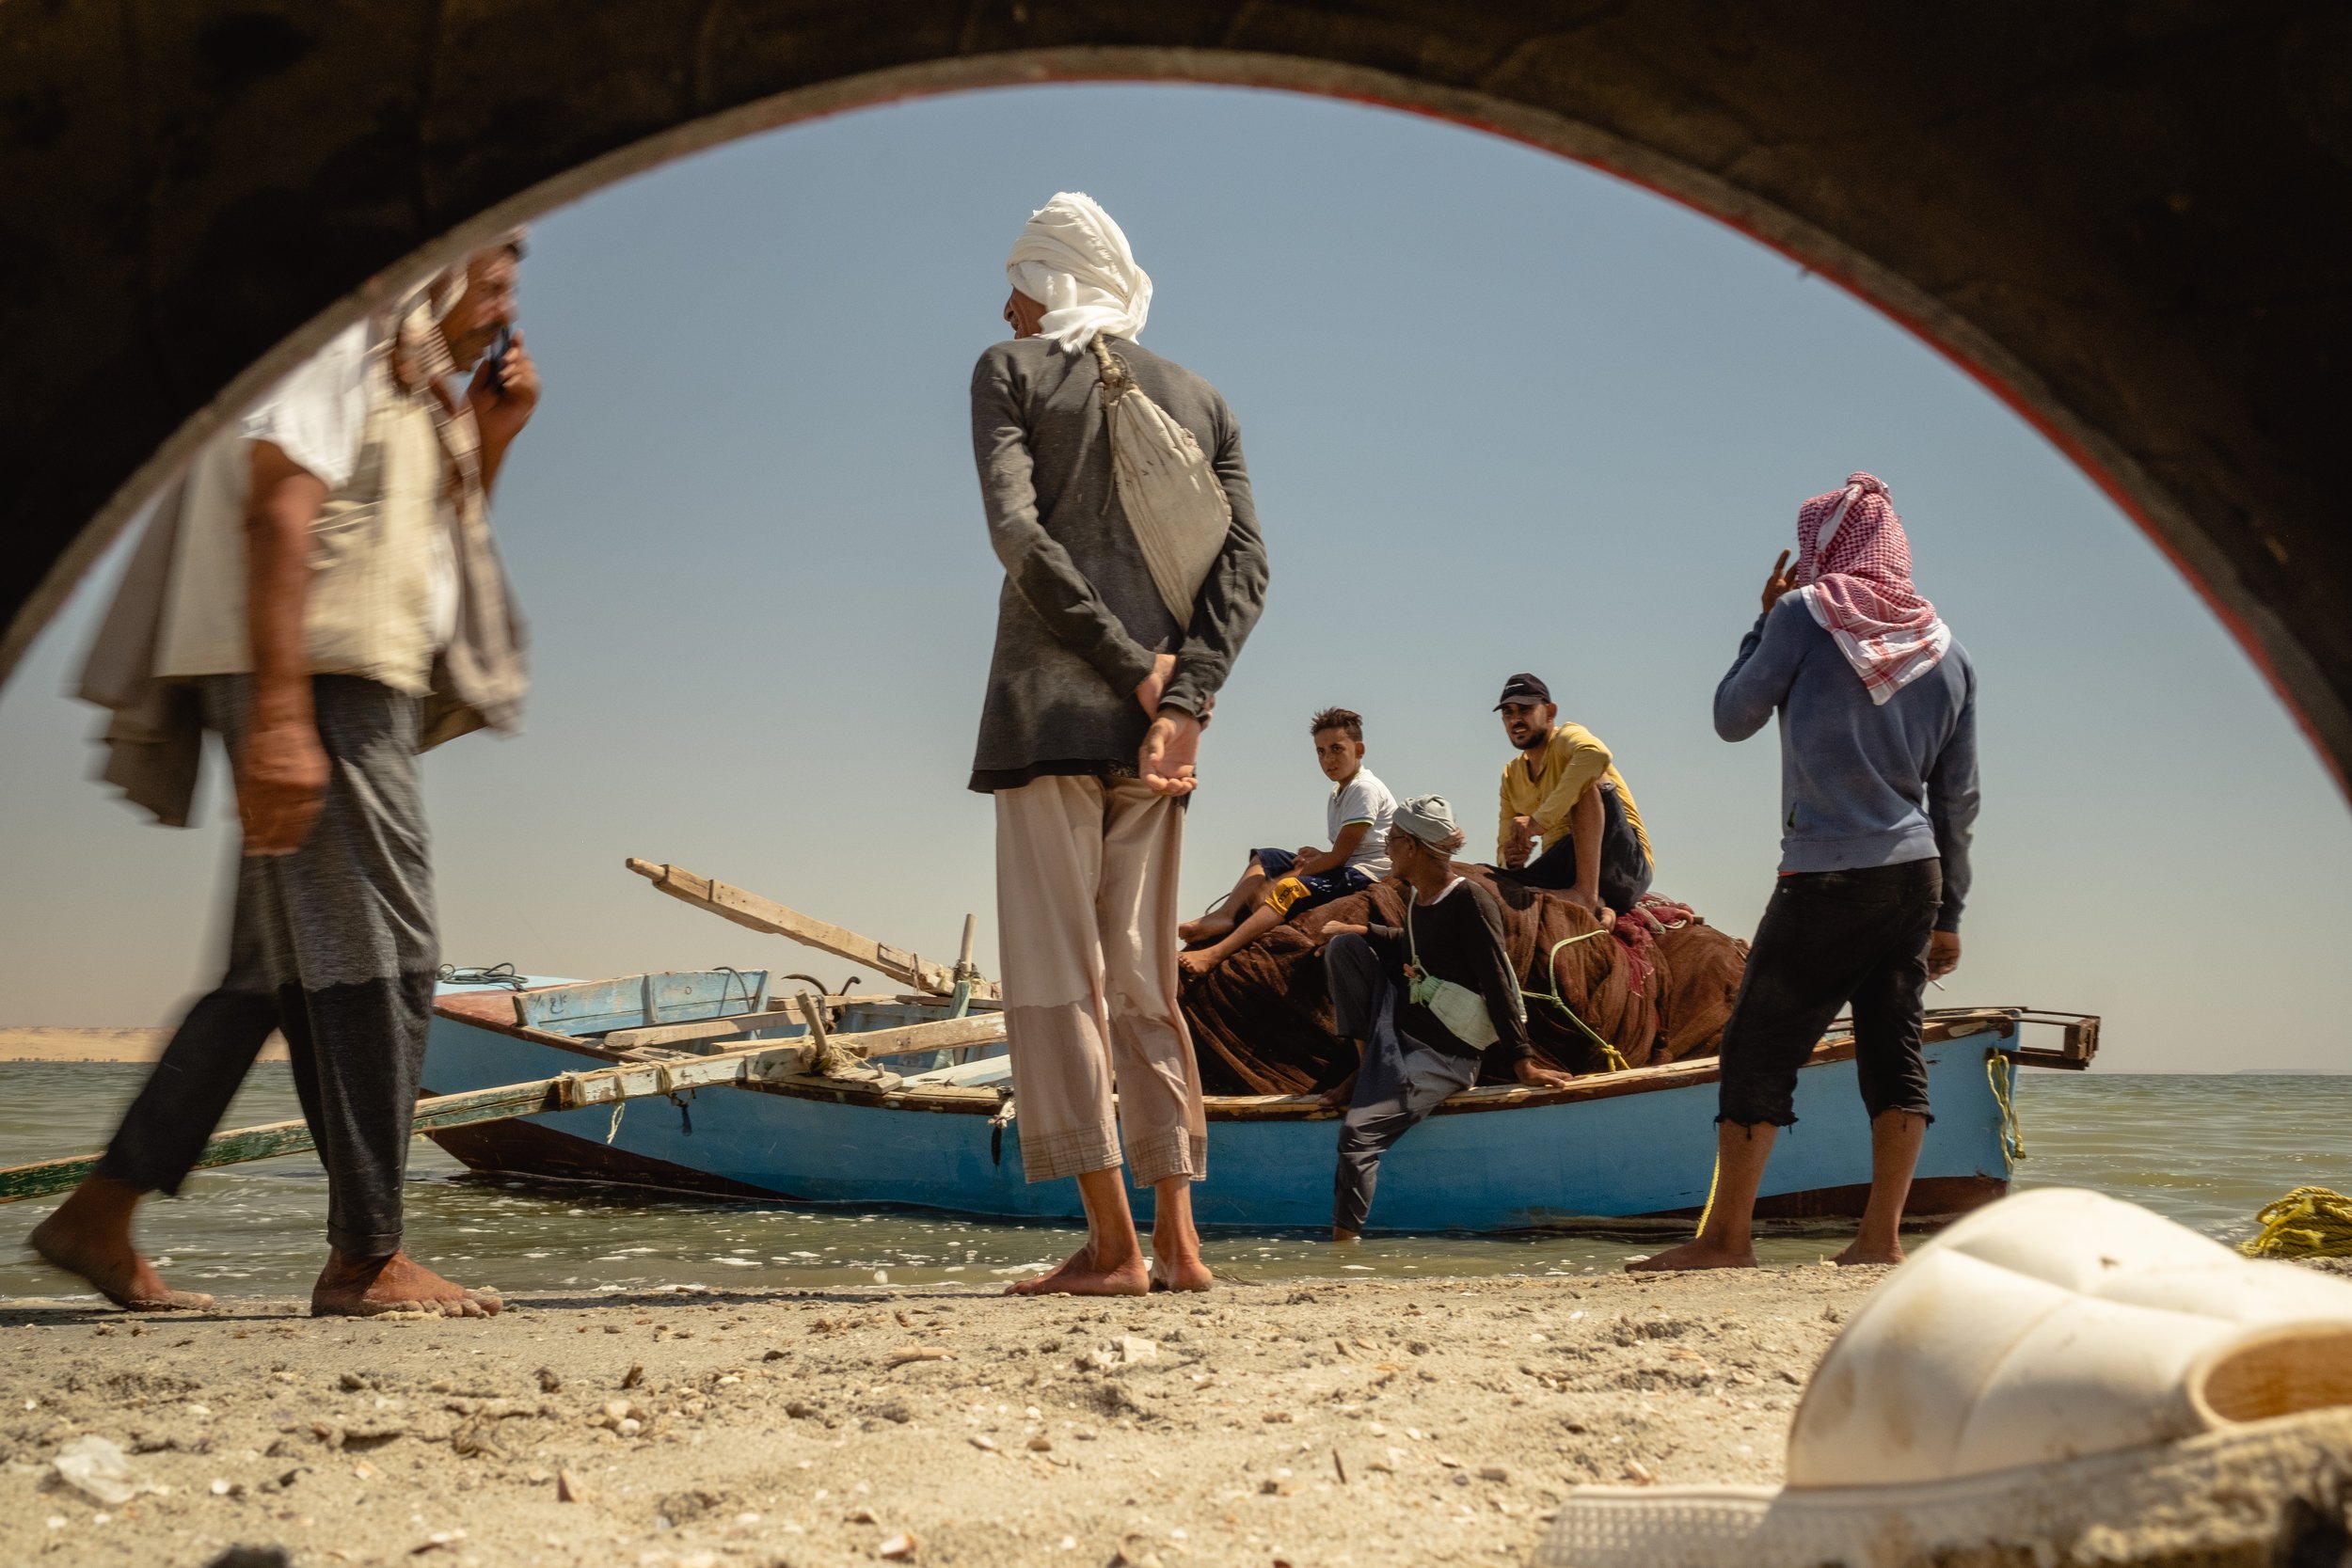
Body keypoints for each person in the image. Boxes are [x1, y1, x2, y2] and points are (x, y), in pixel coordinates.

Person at [34, 237, 536, 1317]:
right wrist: (276, 717)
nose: (507, 286)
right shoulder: (337, 330)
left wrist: (490, 438)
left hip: (347, 677)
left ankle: (99, 1215)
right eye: (494, 260)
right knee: (386, 956)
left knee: (270, 974)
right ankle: (367, 1257)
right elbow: (277, 505)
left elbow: (440, 547)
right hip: (317, 675)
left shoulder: (409, 373)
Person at [969, 193, 1270, 1296]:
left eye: (1022, 275)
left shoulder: (1011, 369)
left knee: (1059, 981)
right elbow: (1246, 570)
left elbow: (1017, 532)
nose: (1008, 299)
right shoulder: (1201, 398)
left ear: (1055, 278)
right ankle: (1183, 1246)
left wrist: (1126, 665)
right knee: (1145, 984)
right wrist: (1180, 696)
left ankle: (1113, 1248)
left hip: (1047, 721)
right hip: (1159, 743)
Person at [1633, 471, 1977, 1274]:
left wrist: (1760, 626)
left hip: (1826, 875)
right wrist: (1951, 911)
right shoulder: (1948, 652)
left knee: (1756, 1045)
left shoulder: (1804, 616)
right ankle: (1879, 1239)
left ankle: (1726, 1238)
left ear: (1823, 546)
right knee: (1893, 1047)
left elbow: (1731, 718)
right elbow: (1957, 798)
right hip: (1915, 876)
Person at [1320, 796, 1576, 1241]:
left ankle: (1343, 1252)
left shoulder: (1469, 900)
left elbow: (1498, 979)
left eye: (1394, 839)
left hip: (1444, 1054)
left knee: (1358, 1137)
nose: (1387, 848)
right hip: (1405, 1028)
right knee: (1345, 950)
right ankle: (1366, 1069)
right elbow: (1422, 944)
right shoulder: (1420, 895)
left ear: (1415, 847)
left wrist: (1523, 1061)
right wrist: (1364, 931)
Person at [1177, 706, 1395, 978]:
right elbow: (1345, 848)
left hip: (1365, 873)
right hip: (1350, 862)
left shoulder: (1364, 788)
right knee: (1267, 857)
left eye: (1337, 749)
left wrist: (1280, 882)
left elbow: (1341, 858)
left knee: (1289, 889)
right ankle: (1225, 915)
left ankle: (1213, 955)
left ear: (1359, 750)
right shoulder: (1340, 790)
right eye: (1321, 751)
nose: (1328, 759)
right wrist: (1318, 855)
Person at [1493, 673, 1654, 921]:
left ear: (1550, 712)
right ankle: (1601, 903)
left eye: (1525, 709)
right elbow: (1504, 848)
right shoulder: (1510, 775)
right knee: (1489, 880)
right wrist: (1512, 859)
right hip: (1563, 867)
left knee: (1589, 780)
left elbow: (1596, 754)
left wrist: (1537, 822)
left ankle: (1586, 895)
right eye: (1508, 713)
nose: (1516, 719)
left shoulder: (1567, 737)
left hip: (1623, 864)